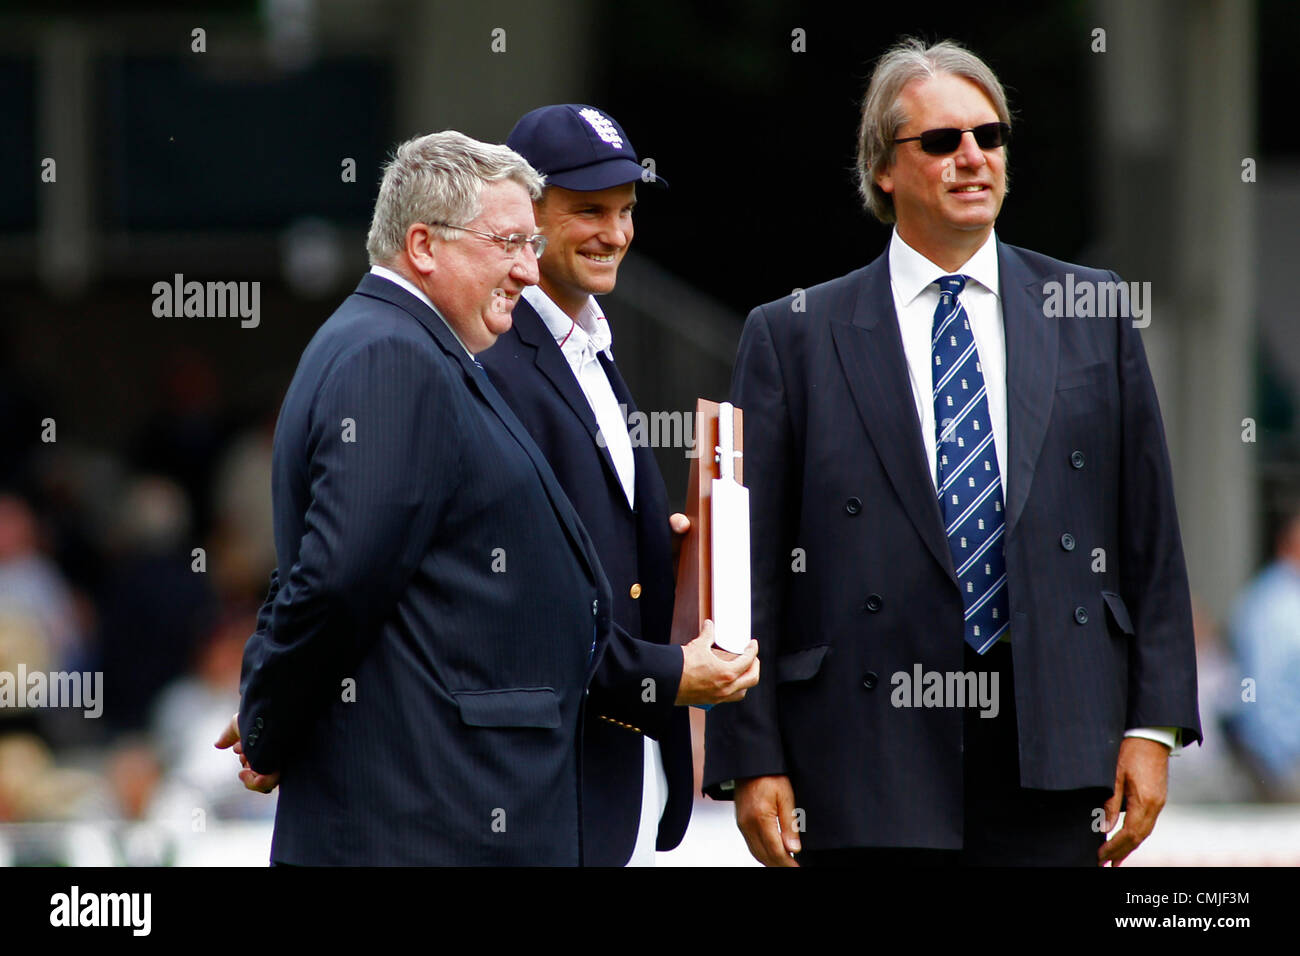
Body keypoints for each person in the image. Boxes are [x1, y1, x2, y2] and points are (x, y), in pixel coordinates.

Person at [703, 38, 1201, 867]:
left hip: (1058, 741)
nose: (974, 158)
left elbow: (1148, 536)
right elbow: (746, 569)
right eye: (942, 141)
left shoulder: (1094, 308)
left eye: (991, 135)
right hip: (862, 753)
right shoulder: (790, 333)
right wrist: (751, 755)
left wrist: (1152, 727)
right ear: (884, 169)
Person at [218, 131, 628, 865]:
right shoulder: (393, 355)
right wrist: (269, 720)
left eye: (533, 244)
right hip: (431, 824)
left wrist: (269, 700)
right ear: (424, 246)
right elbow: (337, 580)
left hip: (442, 814)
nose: (529, 271)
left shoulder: (406, 347)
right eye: (508, 242)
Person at [482, 104, 759, 866]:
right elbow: (526, 605)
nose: (616, 232)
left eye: (628, 210)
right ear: (523, 214)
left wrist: (674, 565)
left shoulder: (590, 351)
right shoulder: (498, 365)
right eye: (590, 211)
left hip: (601, 779)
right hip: (537, 791)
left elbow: (587, 561)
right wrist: (672, 675)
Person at [1225, 504, 1300, 801]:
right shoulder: (1280, 607)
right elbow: (1260, 693)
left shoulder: (1269, 597)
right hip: (1284, 762)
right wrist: (1279, 763)